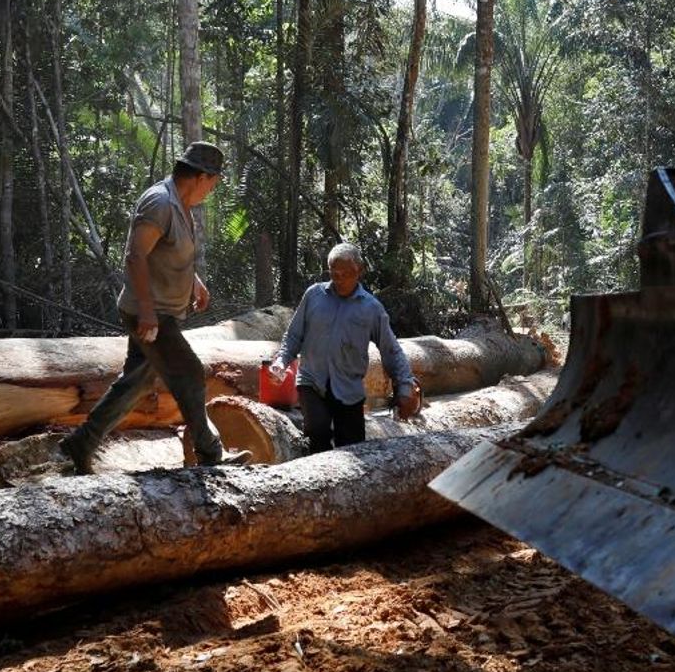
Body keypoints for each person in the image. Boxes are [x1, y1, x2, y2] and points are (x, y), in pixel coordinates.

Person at [61, 142, 250, 472]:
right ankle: (210, 455)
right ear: (201, 177)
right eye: (213, 182)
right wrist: (147, 312)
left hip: (159, 312)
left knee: (136, 382)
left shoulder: (181, 204)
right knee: (190, 373)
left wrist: (194, 282)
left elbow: (167, 252)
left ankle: (81, 444)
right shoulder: (160, 203)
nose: (213, 189)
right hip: (150, 314)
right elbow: (135, 256)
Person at [269, 243, 422, 455]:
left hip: (349, 389)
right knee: (318, 433)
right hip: (312, 381)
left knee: (353, 450)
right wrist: (281, 361)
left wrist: (405, 386)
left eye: (346, 274)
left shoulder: (371, 308)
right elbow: (294, 335)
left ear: (360, 271)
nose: (339, 279)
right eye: (334, 274)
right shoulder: (313, 296)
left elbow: (391, 350)